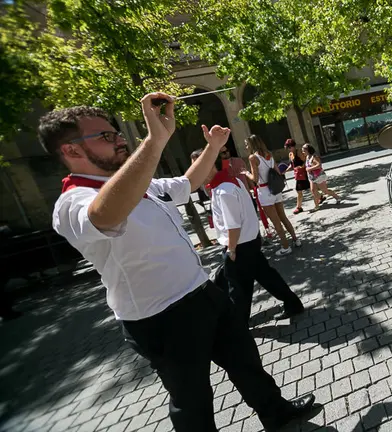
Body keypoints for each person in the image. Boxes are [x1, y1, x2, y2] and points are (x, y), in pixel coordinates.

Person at [43, 94, 316, 432]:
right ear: (71, 151)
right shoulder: (72, 202)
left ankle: (277, 413)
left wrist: (214, 148)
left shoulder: (144, 184)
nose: (118, 140)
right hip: (160, 318)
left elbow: (187, 185)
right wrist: (154, 141)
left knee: (246, 362)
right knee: (193, 400)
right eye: (105, 136)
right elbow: (106, 215)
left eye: (115, 133)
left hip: (202, 292)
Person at [206, 152, 305, 322]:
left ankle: (239, 326)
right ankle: (293, 304)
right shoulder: (230, 182)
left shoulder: (224, 190)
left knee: (237, 288)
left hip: (239, 246)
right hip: (247, 242)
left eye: (201, 165)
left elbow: (233, 224)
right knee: (264, 276)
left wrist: (230, 249)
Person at [241, 135, 301, 256]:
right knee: (283, 217)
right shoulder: (269, 154)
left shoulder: (253, 157)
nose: (246, 147)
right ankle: (295, 239)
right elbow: (277, 172)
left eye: (247, 144)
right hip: (276, 189)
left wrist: (246, 173)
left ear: (252, 144)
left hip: (264, 191)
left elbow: (255, 178)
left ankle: (285, 247)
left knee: (276, 222)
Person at [302, 144, 342, 212]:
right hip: (312, 177)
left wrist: (309, 168)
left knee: (325, 191)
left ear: (308, 150)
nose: (303, 152)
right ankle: (316, 206)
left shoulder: (314, 157)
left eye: (304, 150)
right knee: (313, 191)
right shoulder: (307, 157)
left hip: (319, 176)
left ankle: (337, 197)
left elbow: (319, 165)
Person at [285, 138, 319, 214]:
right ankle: (320, 197)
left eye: (290, 147)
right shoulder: (290, 154)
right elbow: (292, 165)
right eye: (288, 148)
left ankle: (299, 207)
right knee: (303, 189)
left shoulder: (299, 152)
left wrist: (301, 167)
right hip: (298, 175)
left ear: (294, 146)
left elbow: (306, 161)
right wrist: (284, 171)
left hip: (304, 174)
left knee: (306, 189)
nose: (289, 149)